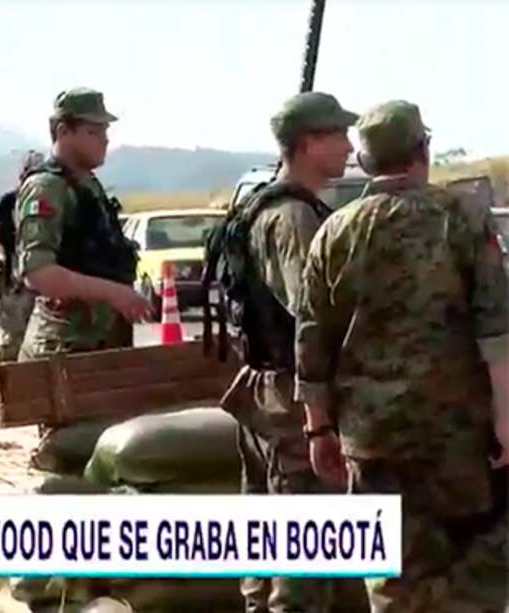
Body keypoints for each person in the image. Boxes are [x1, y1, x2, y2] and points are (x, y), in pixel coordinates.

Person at [296, 100, 509, 613]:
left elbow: (311, 340)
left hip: (373, 438)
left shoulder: (335, 232)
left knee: (391, 572)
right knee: (473, 559)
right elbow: (496, 328)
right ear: (423, 150)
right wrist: (505, 417)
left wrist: (317, 428)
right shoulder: (463, 218)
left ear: (364, 161)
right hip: (456, 435)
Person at [208, 92, 358, 613]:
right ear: (309, 143)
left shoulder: (268, 206)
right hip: (291, 402)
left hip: (267, 393)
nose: (348, 147)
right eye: (338, 135)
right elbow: (313, 312)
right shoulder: (292, 217)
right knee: (303, 550)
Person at [14, 87, 150, 361]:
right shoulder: (47, 188)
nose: (105, 140)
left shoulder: (87, 186)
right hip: (63, 351)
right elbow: (39, 272)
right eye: (93, 132)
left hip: (101, 344)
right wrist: (115, 294)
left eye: (105, 131)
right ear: (63, 131)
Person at [0, 149, 45, 363]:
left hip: (43, 280)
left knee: (41, 343)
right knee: (13, 339)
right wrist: (6, 261)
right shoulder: (10, 202)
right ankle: (5, 378)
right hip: (16, 281)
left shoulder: (52, 198)